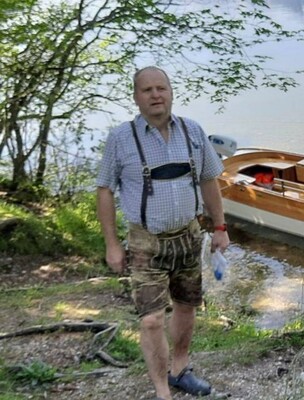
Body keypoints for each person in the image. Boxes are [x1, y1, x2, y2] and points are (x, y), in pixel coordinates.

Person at [96, 66, 229, 400]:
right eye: (147, 90)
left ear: (171, 92)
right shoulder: (121, 138)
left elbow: (209, 180)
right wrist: (112, 244)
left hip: (188, 236)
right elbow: (104, 190)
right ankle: (161, 390)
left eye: (161, 88)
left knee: (186, 306)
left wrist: (220, 228)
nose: (156, 95)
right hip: (145, 242)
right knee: (152, 319)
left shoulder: (193, 131)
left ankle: (179, 370)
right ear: (136, 97)